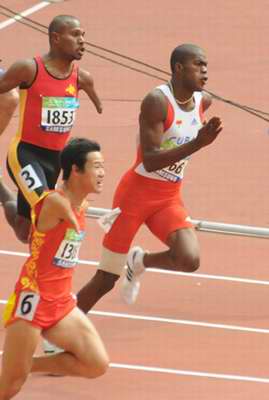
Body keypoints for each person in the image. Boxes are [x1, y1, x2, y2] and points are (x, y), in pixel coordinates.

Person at [75, 43, 223, 312]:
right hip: (135, 196)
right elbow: (151, 161)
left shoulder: (204, 101)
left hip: (168, 197)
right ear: (179, 68)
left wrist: (200, 140)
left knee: (189, 258)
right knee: (106, 278)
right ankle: (58, 330)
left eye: (206, 66)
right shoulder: (156, 102)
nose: (205, 72)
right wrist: (198, 144)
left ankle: (140, 261)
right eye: (198, 65)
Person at [0, 137, 108, 400]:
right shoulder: (55, 203)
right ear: (75, 170)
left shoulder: (81, 204)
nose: (102, 173)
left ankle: (27, 366)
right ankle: (17, 370)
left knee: (96, 364)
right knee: (9, 388)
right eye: (96, 166)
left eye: (102, 166)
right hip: (33, 299)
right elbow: (63, 215)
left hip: (60, 303)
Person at [0, 15, 102, 243]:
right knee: (49, 209)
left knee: (24, 231)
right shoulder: (29, 68)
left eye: (83, 35)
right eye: (75, 35)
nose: (82, 41)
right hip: (25, 154)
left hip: (55, 159)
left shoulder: (82, 78)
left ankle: (1, 190)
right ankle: (39, 274)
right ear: (56, 38)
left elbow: (100, 106)